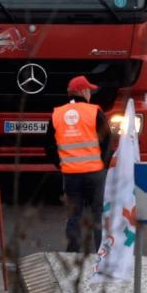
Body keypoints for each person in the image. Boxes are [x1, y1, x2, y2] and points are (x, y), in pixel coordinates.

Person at [43, 76, 112, 254]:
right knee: (98, 212)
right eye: (89, 90)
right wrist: (102, 163)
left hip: (71, 173)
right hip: (94, 172)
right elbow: (107, 141)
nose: (90, 93)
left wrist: (60, 164)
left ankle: (73, 252)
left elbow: (48, 144)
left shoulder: (57, 113)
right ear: (82, 91)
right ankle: (101, 252)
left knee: (74, 214)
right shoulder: (94, 111)